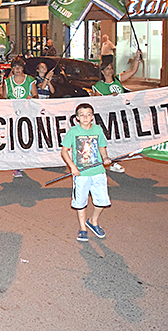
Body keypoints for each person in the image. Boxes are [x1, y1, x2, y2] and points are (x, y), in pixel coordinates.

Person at [61, 103, 113, 242]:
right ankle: (83, 228)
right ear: (77, 118)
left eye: (88, 114)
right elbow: (64, 151)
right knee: (80, 202)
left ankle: (93, 222)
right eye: (82, 115)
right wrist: (72, 166)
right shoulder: (73, 131)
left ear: (92, 117)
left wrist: (105, 158)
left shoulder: (97, 129)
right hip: (81, 173)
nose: (85, 117)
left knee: (102, 201)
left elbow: (102, 147)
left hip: (98, 171)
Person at [92, 50, 142, 173]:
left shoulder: (117, 79)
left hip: (122, 113)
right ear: (102, 71)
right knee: (110, 139)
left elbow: (132, 71)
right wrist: (110, 97)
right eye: (107, 69)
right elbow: (97, 102)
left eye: (111, 68)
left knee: (120, 138)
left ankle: (113, 159)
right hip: (108, 116)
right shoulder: (98, 86)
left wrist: (137, 59)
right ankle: (112, 161)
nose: (110, 70)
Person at [0, 56, 37, 177]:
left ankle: (23, 160)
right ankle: (16, 165)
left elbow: (36, 96)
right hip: (12, 114)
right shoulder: (7, 82)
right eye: (15, 66)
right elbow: (5, 98)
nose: (17, 69)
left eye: (19, 66)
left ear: (23, 68)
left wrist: (32, 98)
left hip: (26, 113)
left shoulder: (29, 80)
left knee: (25, 137)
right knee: (14, 138)